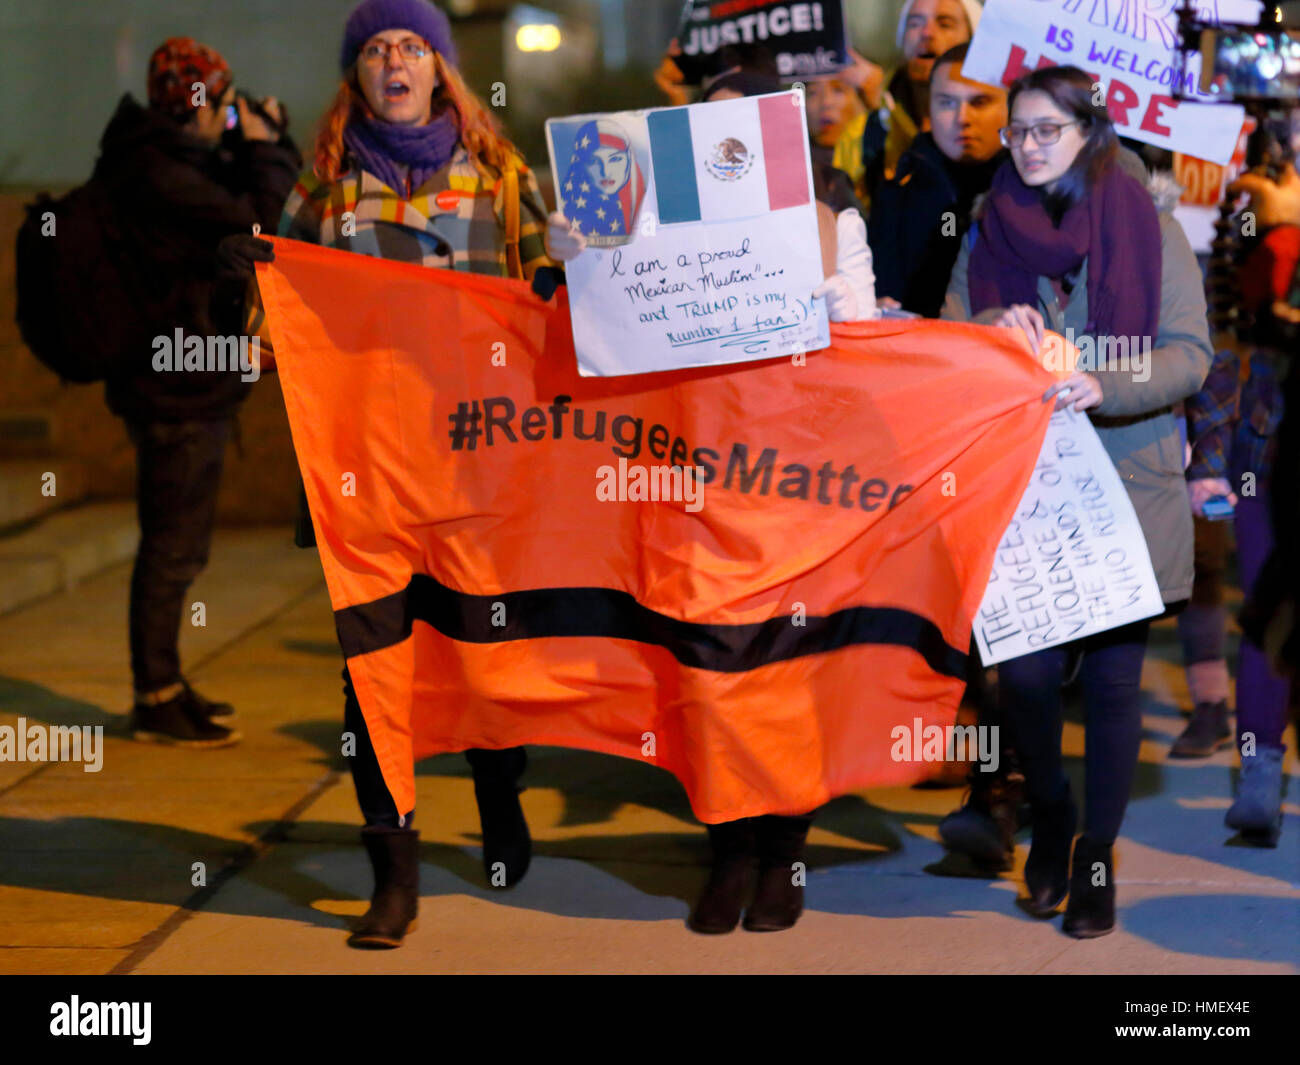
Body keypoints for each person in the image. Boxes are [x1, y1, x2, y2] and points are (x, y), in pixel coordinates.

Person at [222, 0, 574, 949]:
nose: (392, 61)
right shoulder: (327, 184)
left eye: (410, 46)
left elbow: (549, 281)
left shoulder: (500, 176)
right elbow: (281, 299)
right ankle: (394, 873)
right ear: (357, 74)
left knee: (485, 654)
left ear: (441, 68)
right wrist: (257, 319)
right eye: (375, 50)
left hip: (478, 470)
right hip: (364, 477)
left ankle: (502, 802)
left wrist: (565, 272)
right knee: (371, 671)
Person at [942, 65, 1212, 937]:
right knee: (1021, 676)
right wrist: (988, 329)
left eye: (1046, 129)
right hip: (1028, 483)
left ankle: (1095, 853)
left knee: (1113, 679)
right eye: (1016, 129)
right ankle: (1050, 809)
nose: (1026, 145)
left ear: (1089, 132)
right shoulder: (989, 226)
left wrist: (1106, 380)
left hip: (1126, 481)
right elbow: (950, 333)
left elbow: (1189, 356)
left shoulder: (1151, 224)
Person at [95, 38, 300, 749]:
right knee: (173, 547)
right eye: (222, 99)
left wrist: (249, 143)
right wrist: (269, 145)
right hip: (174, 388)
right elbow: (263, 228)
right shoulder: (159, 174)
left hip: (181, 380)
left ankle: (166, 683)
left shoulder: (162, 162)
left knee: (179, 545)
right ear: (198, 104)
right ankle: (155, 695)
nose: (230, 114)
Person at [870, 43, 1007, 317]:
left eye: (979, 102)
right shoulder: (897, 188)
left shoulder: (1037, 191)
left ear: (1011, 105)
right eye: (947, 103)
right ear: (928, 108)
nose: (962, 118)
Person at [832, 0, 982, 210]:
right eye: (914, 23)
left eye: (945, 23)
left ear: (973, 39)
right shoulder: (861, 134)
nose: (927, 32)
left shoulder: (993, 127)